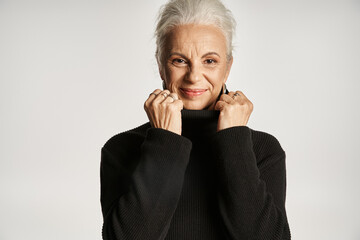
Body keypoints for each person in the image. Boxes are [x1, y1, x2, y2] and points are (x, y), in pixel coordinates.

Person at [100, 0, 291, 239]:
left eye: (209, 61)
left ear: (227, 67)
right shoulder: (122, 148)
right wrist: (165, 141)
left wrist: (234, 142)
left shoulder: (262, 149)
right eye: (179, 60)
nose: (193, 77)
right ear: (161, 66)